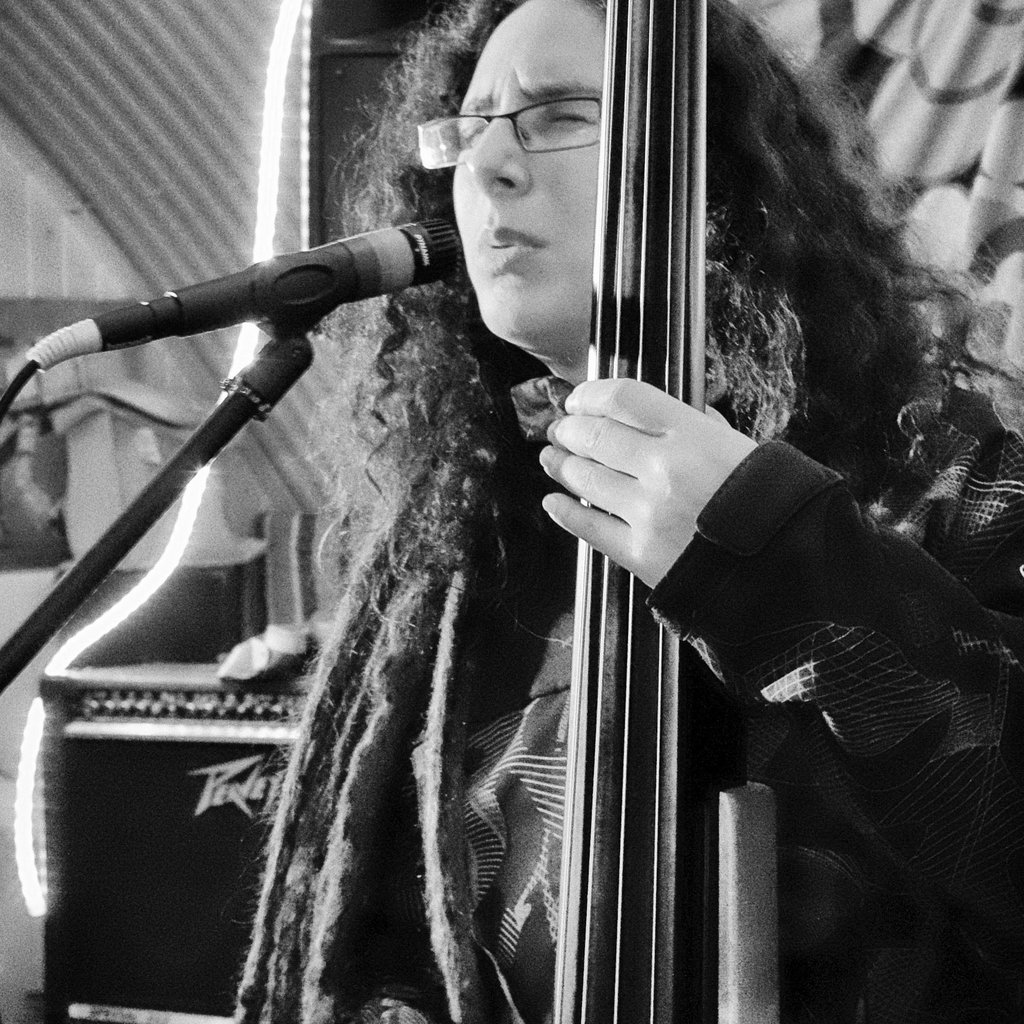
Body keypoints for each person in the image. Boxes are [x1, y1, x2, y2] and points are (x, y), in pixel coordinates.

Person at [234, 0, 1024, 1021]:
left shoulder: (946, 471)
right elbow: (378, 936)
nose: (488, 166)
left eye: (558, 114)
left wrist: (781, 551)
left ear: (713, 176)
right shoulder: (459, 546)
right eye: (468, 129)